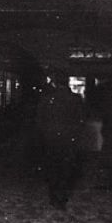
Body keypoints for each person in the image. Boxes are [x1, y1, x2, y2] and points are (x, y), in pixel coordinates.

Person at [36, 69, 85, 209]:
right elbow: (81, 120)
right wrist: (74, 136)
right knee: (66, 168)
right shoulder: (76, 99)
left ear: (55, 83)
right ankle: (62, 198)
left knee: (52, 167)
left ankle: (53, 196)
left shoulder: (47, 98)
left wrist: (46, 135)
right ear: (67, 82)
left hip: (51, 139)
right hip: (69, 139)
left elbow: (40, 120)